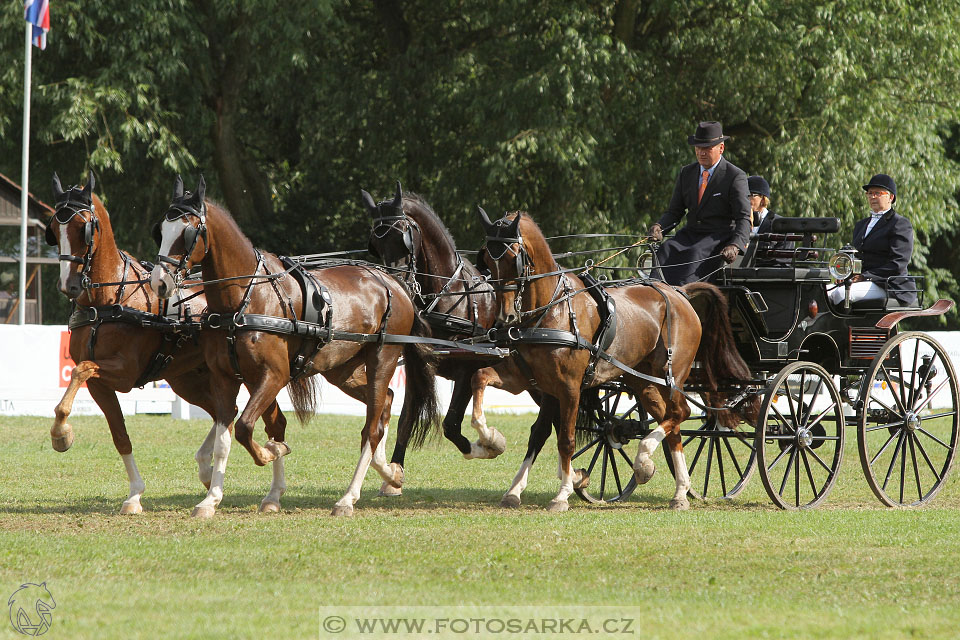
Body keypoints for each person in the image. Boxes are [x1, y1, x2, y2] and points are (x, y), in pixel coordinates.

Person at [649, 121, 751, 285]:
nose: (701, 153)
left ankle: (683, 299)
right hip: (690, 233)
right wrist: (659, 227)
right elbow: (675, 212)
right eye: (698, 148)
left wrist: (736, 245)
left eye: (707, 148)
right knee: (665, 250)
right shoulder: (686, 173)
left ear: (721, 148)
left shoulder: (734, 176)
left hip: (717, 237)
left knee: (693, 255)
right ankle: (655, 292)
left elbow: (744, 218)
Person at [827, 173, 917, 307]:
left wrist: (865, 276)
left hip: (888, 284)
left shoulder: (900, 224)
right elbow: (857, 257)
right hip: (863, 281)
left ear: (891, 197)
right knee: (824, 291)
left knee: (841, 294)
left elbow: (898, 263)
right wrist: (846, 276)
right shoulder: (861, 225)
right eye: (869, 193)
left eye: (877, 193)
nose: (872, 197)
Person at [747, 175, 793, 266]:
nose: (746, 199)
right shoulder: (736, 222)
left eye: (750, 195)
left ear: (763, 199)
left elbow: (783, 262)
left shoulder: (781, 224)